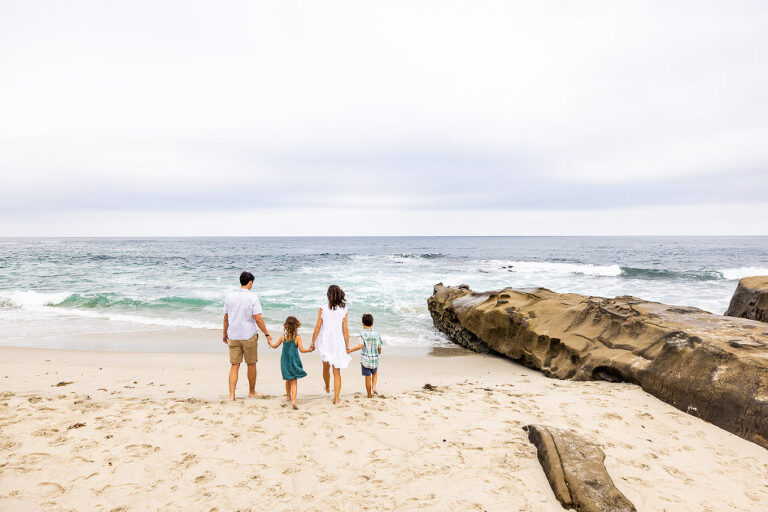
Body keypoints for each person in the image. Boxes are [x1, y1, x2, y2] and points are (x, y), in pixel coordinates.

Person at [222, 271, 272, 401]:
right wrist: (267, 334)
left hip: (233, 335)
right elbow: (258, 318)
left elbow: (226, 317)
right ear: (250, 282)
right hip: (248, 335)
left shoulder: (230, 296)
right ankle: (251, 391)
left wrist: (224, 333)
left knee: (235, 365)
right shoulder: (252, 297)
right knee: (251, 364)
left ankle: (232, 394)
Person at [310, 285, 351, 404]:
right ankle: (336, 398)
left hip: (325, 341)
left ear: (328, 295)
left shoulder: (322, 309)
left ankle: (327, 386)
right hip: (338, 341)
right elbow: (345, 330)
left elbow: (317, 328)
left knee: (326, 366)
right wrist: (347, 345)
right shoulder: (344, 310)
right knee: (336, 371)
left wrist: (312, 342)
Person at [268, 316, 313, 410]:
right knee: (294, 381)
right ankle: (294, 401)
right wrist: (310, 350)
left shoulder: (282, 337)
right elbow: (302, 350)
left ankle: (288, 396)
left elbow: (274, 346)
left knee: (288, 379)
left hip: (284, 361)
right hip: (294, 361)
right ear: (296, 326)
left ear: (286, 326)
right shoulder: (297, 338)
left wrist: (270, 342)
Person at [347, 313, 383, 398]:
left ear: (362, 323)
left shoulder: (362, 334)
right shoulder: (377, 334)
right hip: (375, 359)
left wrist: (349, 351)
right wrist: (378, 352)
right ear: (372, 324)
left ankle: (369, 395)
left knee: (368, 377)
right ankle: (374, 387)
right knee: (375, 373)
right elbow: (379, 347)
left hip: (366, 360)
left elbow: (360, 346)